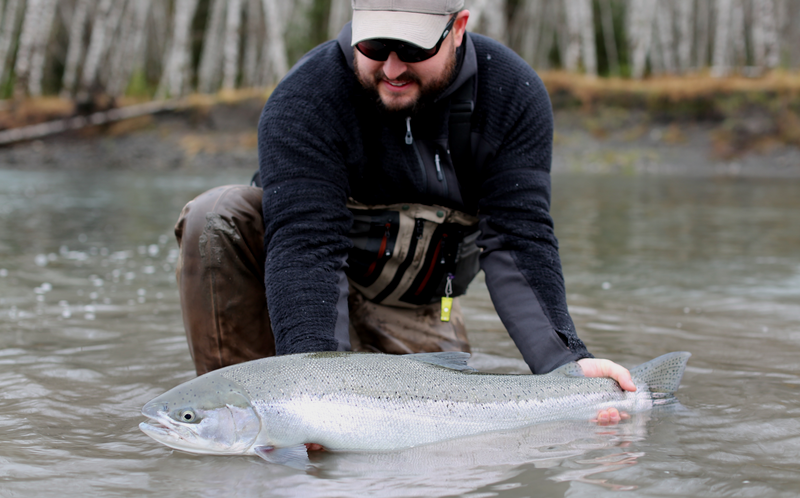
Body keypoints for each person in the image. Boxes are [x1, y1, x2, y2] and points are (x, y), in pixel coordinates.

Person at [174, 0, 634, 427]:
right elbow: (305, 248)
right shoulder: (305, 98)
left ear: (458, 28)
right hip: (309, 296)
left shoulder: (511, 94)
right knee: (216, 214)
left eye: (411, 47)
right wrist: (309, 403)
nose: (392, 68)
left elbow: (518, 240)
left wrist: (565, 363)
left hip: (420, 309)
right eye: (374, 46)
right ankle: (236, 417)